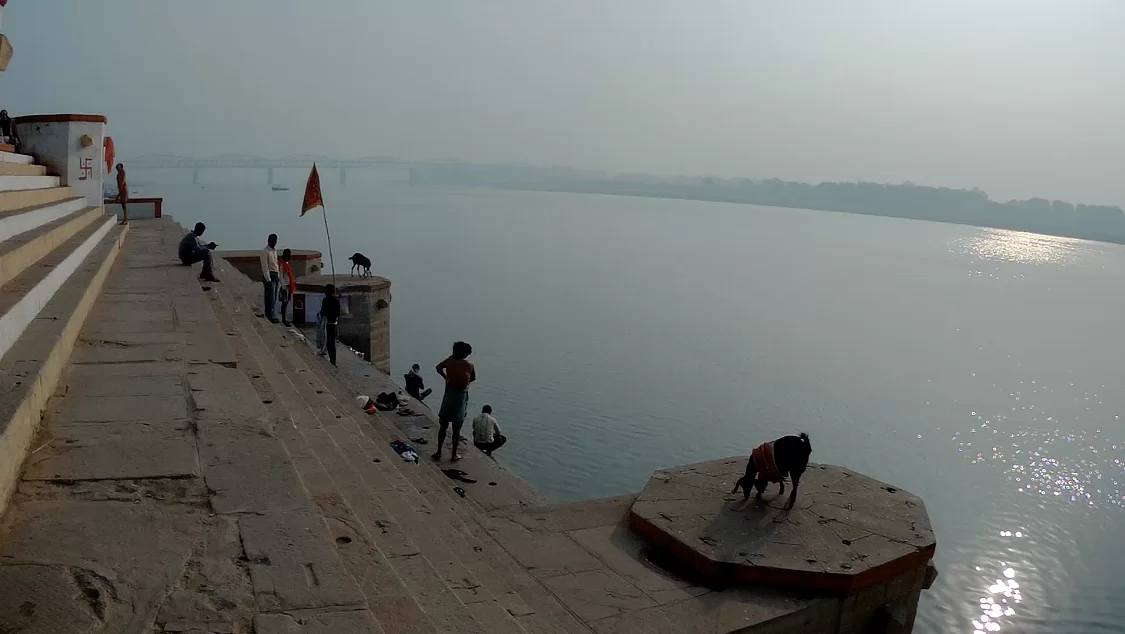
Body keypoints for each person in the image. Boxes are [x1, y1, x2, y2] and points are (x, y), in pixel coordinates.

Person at [432, 341, 476, 462]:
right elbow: (473, 378)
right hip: (461, 397)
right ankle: (453, 454)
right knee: (456, 429)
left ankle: (439, 451)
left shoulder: (449, 361)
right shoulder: (469, 365)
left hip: (449, 395)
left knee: (443, 426)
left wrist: (446, 377)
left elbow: (438, 368)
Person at [260, 233, 280, 323]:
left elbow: (276, 264)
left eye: (275, 241)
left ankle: (271, 313)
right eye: (272, 241)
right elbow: (265, 266)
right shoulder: (265, 251)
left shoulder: (275, 251)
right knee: (270, 296)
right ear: (269, 241)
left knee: (274, 296)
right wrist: (268, 278)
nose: (274, 243)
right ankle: (270, 314)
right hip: (269, 275)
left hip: (275, 274)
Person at [319, 284, 340, 366]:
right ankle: (333, 360)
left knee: (327, 342)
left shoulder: (325, 300)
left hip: (327, 324)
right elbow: (338, 313)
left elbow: (323, 312)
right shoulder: (336, 300)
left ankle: (331, 360)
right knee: (332, 343)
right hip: (334, 323)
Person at [278, 248, 296, 327]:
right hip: (285, 286)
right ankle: (283, 319)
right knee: (284, 303)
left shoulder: (287, 263)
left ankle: (284, 319)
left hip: (289, 285)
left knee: (286, 303)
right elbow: (281, 275)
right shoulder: (282, 264)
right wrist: (283, 285)